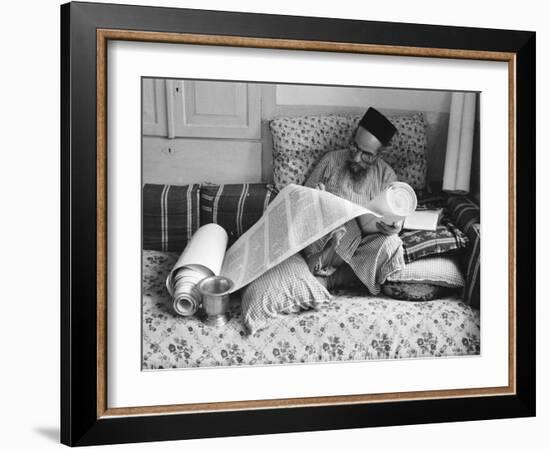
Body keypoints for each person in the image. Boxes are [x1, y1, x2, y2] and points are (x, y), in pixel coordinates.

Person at [303, 107, 404, 294]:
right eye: (354, 147)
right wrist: (316, 198)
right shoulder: (331, 161)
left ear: (379, 154)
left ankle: (333, 279)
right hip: (327, 240)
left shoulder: (386, 175)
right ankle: (338, 273)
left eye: (366, 154)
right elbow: (302, 202)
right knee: (340, 228)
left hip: (360, 249)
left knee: (392, 244)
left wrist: (395, 226)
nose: (356, 158)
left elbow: (395, 216)